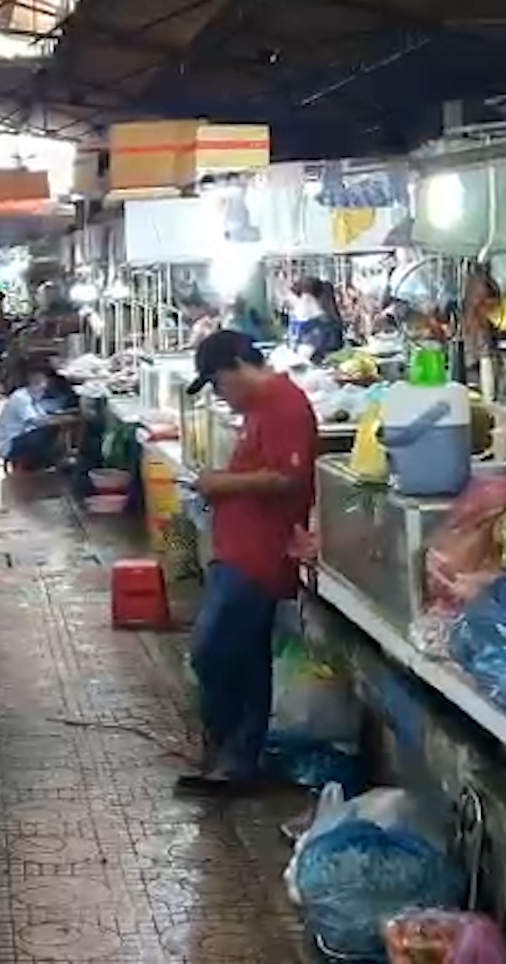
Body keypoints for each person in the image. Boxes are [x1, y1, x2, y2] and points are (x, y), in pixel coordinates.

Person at [178, 330, 317, 794]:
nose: (220, 395)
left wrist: (222, 484)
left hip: (257, 558)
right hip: (236, 551)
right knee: (247, 659)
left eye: (219, 383)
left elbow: (287, 478)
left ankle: (232, 752)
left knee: (212, 651)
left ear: (240, 364)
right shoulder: (258, 407)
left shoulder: (284, 404)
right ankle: (236, 762)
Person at [0, 360, 75, 472]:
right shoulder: (21, 398)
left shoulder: (34, 397)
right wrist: (64, 419)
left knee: (50, 431)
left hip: (20, 438)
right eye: (42, 381)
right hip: (11, 444)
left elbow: (45, 414)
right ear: (33, 381)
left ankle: (46, 462)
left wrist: (62, 417)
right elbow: (37, 421)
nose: (45, 386)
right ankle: (50, 462)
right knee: (43, 434)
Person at [287, 277, 346, 362]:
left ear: (306, 298)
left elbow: (301, 357)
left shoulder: (319, 326)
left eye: (293, 304)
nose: (292, 310)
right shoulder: (324, 322)